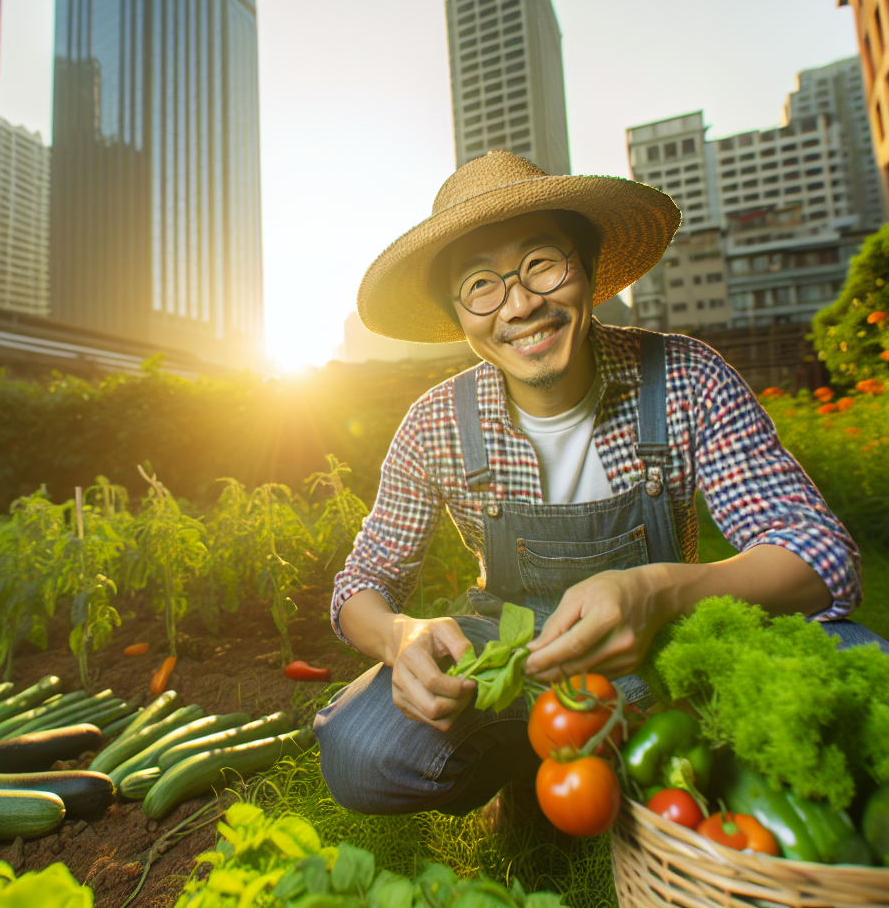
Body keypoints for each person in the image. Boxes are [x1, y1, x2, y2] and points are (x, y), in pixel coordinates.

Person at [313, 150, 885, 818]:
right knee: (360, 753)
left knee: (860, 670)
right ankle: (531, 757)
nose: (521, 305)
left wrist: (662, 589)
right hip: (515, 667)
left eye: (542, 264)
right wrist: (399, 637)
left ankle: (665, 756)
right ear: (458, 314)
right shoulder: (434, 424)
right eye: (480, 285)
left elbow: (821, 554)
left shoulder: (686, 377)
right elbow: (361, 587)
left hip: (672, 647)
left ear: (586, 267)